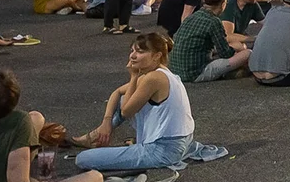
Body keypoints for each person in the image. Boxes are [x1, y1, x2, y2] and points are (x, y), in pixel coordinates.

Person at [73, 31, 199, 171]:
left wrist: (133, 76)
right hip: (180, 142)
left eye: (139, 52)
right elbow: (118, 92)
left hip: (164, 149)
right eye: (132, 51)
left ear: (156, 56)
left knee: (83, 159)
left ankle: (96, 139)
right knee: (123, 98)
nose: (132, 56)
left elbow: (126, 111)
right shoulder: (159, 73)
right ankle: (96, 136)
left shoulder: (154, 78)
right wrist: (106, 122)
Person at [168, 0, 252, 83]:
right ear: (223, 4)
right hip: (196, 73)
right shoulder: (214, 21)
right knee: (247, 53)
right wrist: (237, 47)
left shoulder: (192, 16)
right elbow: (225, 53)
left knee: (232, 48)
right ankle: (238, 71)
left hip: (176, 71)